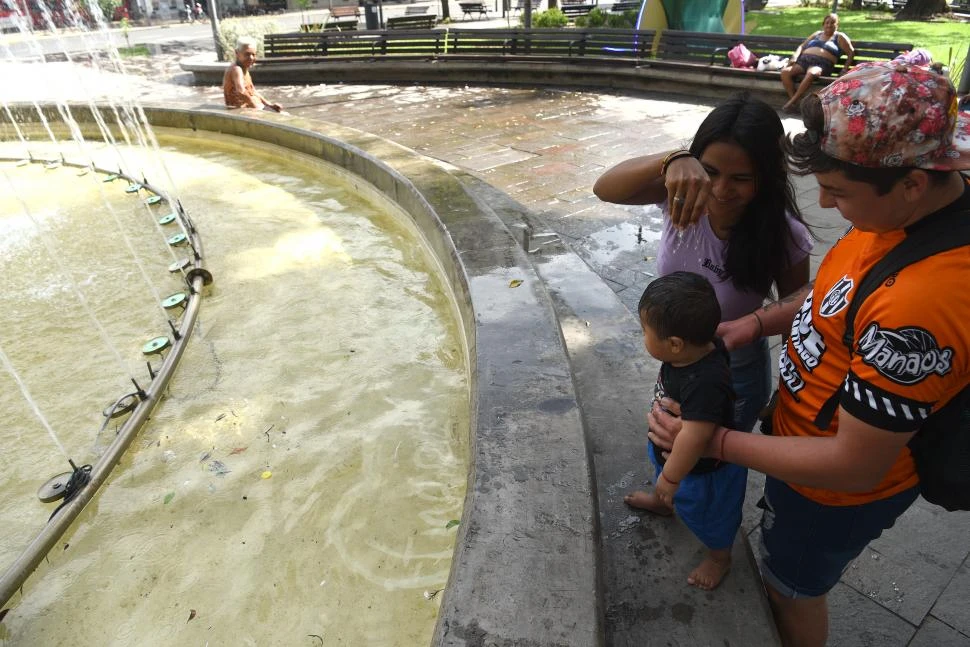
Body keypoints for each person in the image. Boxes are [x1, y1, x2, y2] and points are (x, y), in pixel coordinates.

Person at [647, 62, 970, 647]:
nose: (822, 202)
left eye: (839, 191)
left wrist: (711, 440)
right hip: (796, 445)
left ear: (913, 181)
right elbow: (827, 296)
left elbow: (856, 463)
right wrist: (757, 322)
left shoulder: (923, 302)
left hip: (832, 490)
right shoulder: (898, 214)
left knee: (790, 588)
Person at [593, 93, 813, 437]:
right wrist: (671, 159)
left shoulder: (785, 235)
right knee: (670, 446)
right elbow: (605, 188)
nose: (722, 189)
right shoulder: (681, 199)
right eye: (710, 171)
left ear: (767, 175)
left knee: (714, 464)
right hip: (674, 362)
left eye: (741, 178)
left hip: (734, 370)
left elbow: (798, 316)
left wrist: (786, 391)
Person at [633, 271, 743, 590]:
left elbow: (695, 437)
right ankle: (662, 502)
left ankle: (720, 557)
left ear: (676, 344)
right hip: (674, 456)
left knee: (710, 517)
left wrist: (671, 477)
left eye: (645, 331)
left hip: (703, 472)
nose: (642, 336)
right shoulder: (697, 349)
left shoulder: (705, 382)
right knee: (663, 477)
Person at [780, 13, 854, 114]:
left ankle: (791, 103)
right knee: (785, 72)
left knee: (812, 73)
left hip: (822, 64)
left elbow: (851, 52)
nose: (829, 25)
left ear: (837, 25)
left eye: (833, 23)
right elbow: (802, 46)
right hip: (804, 61)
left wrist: (845, 69)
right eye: (827, 22)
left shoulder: (840, 37)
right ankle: (795, 104)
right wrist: (794, 57)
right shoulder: (817, 34)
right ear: (823, 24)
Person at [223, 37, 284, 112]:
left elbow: (253, 91)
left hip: (250, 108)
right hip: (239, 111)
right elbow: (241, 92)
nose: (251, 58)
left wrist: (269, 104)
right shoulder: (236, 69)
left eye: (253, 54)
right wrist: (257, 108)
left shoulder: (244, 68)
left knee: (282, 113)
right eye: (247, 54)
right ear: (237, 53)